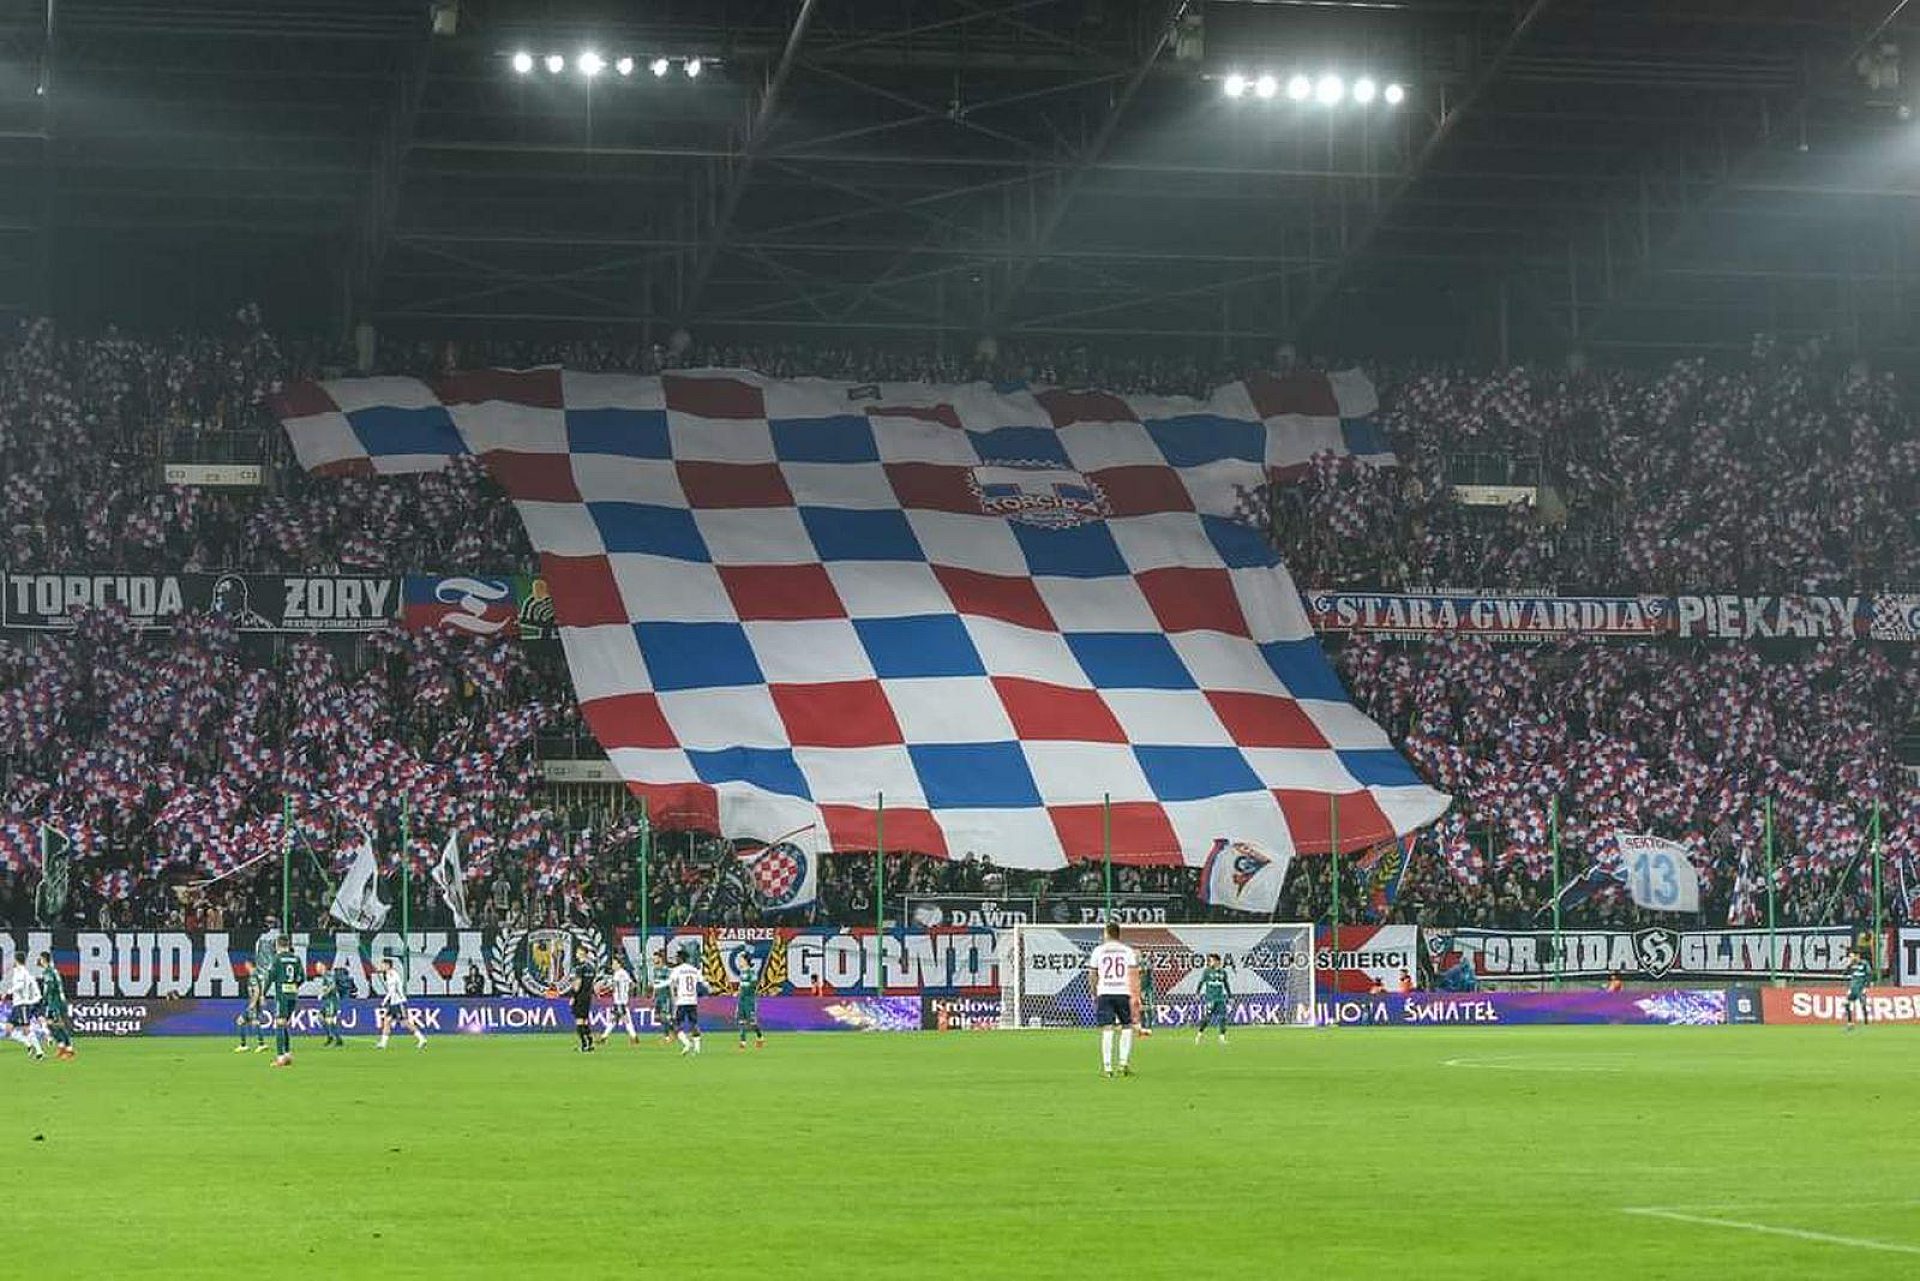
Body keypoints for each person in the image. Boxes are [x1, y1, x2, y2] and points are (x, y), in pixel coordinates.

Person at [1086, 922, 1140, 1078]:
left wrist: (1094, 993)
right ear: (1119, 934)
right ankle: (1123, 1064)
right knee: (1127, 1026)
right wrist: (1135, 995)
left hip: (1105, 992)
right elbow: (1133, 974)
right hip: (1123, 992)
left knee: (1107, 1028)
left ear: (1107, 934)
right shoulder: (1127, 951)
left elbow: (1092, 974)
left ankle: (1107, 1067)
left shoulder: (1099, 951)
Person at [656, 948, 708, 1056]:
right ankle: (697, 1049)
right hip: (693, 1001)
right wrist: (709, 987)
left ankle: (687, 1044)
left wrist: (656, 986)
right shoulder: (694, 969)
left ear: (680, 958)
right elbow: (703, 982)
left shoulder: (678, 970)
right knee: (693, 1024)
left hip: (682, 1001)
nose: (675, 959)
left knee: (674, 1024)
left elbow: (669, 982)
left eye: (677, 958)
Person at [265, 936, 305, 1067]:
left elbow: (269, 978)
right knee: (285, 1023)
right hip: (293, 995)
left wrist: (262, 994)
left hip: (282, 995)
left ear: (278, 945)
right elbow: (302, 978)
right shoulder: (296, 958)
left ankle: (280, 1057)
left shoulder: (277, 959)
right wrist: (294, 987)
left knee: (280, 1024)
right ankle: (288, 1054)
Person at [375, 958, 427, 1050]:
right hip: (393, 1003)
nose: (381, 966)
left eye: (382, 965)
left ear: (387, 965)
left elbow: (392, 991)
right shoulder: (389, 974)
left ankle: (422, 1039)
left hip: (398, 1002)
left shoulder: (391, 974)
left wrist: (384, 1001)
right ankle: (383, 1043)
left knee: (405, 1023)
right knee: (387, 1021)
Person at [7, 955, 48, 1060]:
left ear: (16, 960)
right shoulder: (18, 971)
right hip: (16, 1004)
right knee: (9, 1029)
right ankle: (29, 1044)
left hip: (22, 1004)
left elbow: (20, 986)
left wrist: (9, 992)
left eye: (14, 960)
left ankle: (39, 1052)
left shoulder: (23, 972)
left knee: (26, 1029)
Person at [37, 952, 74, 1060]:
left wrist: (44, 999)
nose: (38, 961)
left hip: (55, 1002)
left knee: (58, 1025)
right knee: (50, 1024)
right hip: (54, 1001)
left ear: (44, 959)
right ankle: (61, 1046)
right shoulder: (52, 970)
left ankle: (69, 1050)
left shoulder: (48, 972)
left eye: (40, 958)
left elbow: (51, 987)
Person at [597, 958, 638, 1047]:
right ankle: (604, 1037)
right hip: (623, 1000)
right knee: (613, 1020)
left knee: (626, 1020)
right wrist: (626, 992)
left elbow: (614, 986)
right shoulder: (625, 973)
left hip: (619, 1001)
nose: (613, 965)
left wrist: (603, 990)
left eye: (614, 963)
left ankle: (634, 1037)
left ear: (619, 964)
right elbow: (633, 985)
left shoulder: (617, 974)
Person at [1195, 953, 1231, 1046]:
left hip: (1220, 999)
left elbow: (1226, 984)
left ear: (1217, 961)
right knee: (1207, 1018)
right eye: (1210, 961)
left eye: (1212, 960)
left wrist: (1230, 996)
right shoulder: (1207, 971)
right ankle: (1199, 1035)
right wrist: (1197, 993)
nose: (1210, 962)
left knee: (1223, 1017)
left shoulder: (1223, 972)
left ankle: (1222, 1037)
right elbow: (1201, 982)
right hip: (1210, 998)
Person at [564, 958, 597, 1052]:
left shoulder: (579, 968)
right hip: (588, 997)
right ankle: (590, 1043)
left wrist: (573, 996)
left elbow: (577, 984)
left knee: (579, 1021)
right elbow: (593, 984)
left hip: (580, 997)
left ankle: (583, 1045)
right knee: (585, 1021)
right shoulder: (591, 968)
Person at [236, 963, 269, 1053]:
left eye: (246, 964)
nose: (245, 965)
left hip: (253, 1003)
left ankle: (261, 1044)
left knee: (254, 1022)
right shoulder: (257, 975)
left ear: (250, 965)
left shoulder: (253, 977)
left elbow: (257, 990)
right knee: (241, 1021)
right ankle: (244, 1045)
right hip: (254, 1003)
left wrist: (253, 1003)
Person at [736, 957, 765, 1052]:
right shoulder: (741, 973)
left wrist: (746, 989)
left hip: (749, 1000)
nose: (739, 962)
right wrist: (738, 993)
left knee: (752, 1023)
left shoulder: (752, 973)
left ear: (746, 962)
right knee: (741, 1021)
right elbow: (741, 987)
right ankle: (743, 1042)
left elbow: (754, 986)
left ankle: (760, 1036)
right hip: (741, 1000)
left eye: (741, 960)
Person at [1842, 947, 1873, 1032]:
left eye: (1854, 956)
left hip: (1861, 988)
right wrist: (1848, 964)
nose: (1852, 957)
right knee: (1847, 1004)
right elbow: (1844, 973)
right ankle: (1850, 1022)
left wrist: (1866, 986)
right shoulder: (1852, 964)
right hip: (1853, 988)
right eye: (1851, 956)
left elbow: (1869, 974)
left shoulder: (1864, 964)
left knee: (1863, 1005)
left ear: (1858, 956)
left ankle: (1866, 1022)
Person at [317, 963, 346, 1047]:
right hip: (326, 1000)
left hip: (331, 1000)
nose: (317, 969)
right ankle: (330, 1036)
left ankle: (338, 1040)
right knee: (320, 1017)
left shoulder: (328, 975)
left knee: (329, 1019)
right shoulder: (324, 976)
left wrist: (324, 993)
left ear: (323, 967)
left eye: (318, 967)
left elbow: (332, 986)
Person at [651, 950, 675, 1043]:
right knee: (657, 1017)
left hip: (666, 997)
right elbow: (655, 983)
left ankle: (667, 1037)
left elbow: (670, 984)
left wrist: (672, 996)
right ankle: (673, 1031)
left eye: (655, 958)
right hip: (658, 997)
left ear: (660, 959)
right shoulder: (655, 970)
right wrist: (654, 995)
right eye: (653, 958)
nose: (653, 960)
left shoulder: (667, 970)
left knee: (665, 1016)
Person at [1137, 957, 1157, 1038]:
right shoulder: (1136, 972)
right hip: (1139, 990)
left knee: (1148, 1008)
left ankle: (1149, 1028)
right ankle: (1143, 1027)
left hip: (1147, 991)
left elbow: (1149, 971)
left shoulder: (1148, 973)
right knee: (1141, 1009)